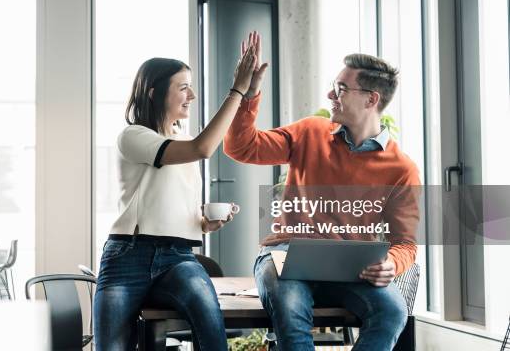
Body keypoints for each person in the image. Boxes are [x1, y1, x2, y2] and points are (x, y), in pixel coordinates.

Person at [224, 32, 420, 351]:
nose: (331, 94)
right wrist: (249, 94)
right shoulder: (310, 132)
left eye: (341, 89)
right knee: (289, 307)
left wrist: (391, 265)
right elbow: (241, 148)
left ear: (371, 99)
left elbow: (405, 244)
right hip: (285, 253)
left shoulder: (401, 168)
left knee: (393, 310)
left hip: (348, 270)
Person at [93, 46, 258, 350]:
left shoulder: (184, 140)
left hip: (178, 257)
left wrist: (205, 223)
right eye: (183, 87)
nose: (192, 96)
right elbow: (203, 148)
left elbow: (176, 200)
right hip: (128, 254)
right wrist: (237, 91)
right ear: (155, 93)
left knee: (209, 317)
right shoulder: (133, 136)